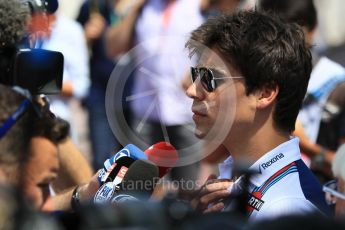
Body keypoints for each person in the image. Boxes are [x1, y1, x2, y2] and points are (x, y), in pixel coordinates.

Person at [186, 11, 330, 220]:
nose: (192, 90)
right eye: (195, 75)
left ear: (265, 93)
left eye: (210, 78)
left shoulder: (288, 209)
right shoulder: (235, 177)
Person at [258, 0, 345, 178]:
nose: (282, 45)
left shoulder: (338, 85)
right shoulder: (258, 81)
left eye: (291, 35)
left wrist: (305, 145)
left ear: (312, 30)